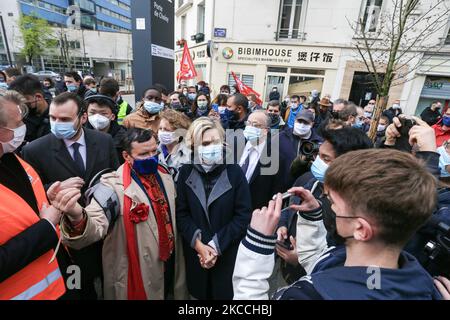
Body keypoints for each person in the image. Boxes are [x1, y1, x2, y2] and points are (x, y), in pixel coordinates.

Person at [233, 147, 443, 300]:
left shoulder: (310, 295)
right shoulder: (417, 282)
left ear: (360, 229)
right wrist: (312, 217)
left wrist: (257, 244)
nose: (330, 208)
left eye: (333, 203)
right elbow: (329, 268)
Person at [53, 128, 188, 300]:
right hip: (138, 270)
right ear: (126, 156)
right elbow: (95, 224)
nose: (152, 157)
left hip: (171, 263)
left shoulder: (165, 173)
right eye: (144, 154)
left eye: (154, 151)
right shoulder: (111, 187)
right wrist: (76, 214)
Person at [21, 92, 120, 299]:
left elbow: (115, 179)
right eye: (53, 118)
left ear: (82, 118)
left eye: (65, 119)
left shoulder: (104, 141)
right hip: (68, 240)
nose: (57, 124)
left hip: (105, 230)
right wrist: (53, 189)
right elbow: (32, 195)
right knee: (79, 288)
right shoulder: (35, 150)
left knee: (110, 281)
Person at [176, 117, 252, 299]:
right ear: (194, 147)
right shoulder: (186, 172)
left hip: (227, 253)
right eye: (205, 143)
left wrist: (215, 246)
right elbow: (182, 213)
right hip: (197, 254)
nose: (212, 147)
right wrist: (199, 245)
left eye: (216, 141)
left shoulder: (235, 172)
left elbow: (243, 216)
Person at [0, 90, 66, 300]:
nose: (22, 129)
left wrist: (46, 198)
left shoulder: (12, 158)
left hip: (54, 285)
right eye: (17, 124)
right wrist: (46, 226)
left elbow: (19, 208)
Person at [239, 111, 288, 210]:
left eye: (256, 125)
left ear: (266, 130)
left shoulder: (276, 158)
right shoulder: (235, 146)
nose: (250, 127)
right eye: (248, 123)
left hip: (255, 211)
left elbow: (276, 193)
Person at [279, 109, 323, 183]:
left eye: (306, 123)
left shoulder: (319, 142)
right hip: (282, 183)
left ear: (312, 124)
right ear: (295, 121)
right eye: (299, 121)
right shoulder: (281, 137)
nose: (302, 125)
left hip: (305, 184)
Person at [84, 94, 127, 164]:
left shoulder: (124, 138)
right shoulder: (79, 136)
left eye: (103, 113)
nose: (97, 117)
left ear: (112, 116)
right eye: (92, 113)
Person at [9, 74, 51, 143]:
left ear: (38, 97)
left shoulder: (57, 118)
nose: (18, 106)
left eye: (20, 101)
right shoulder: (19, 120)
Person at [158, 109, 192, 179]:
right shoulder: (154, 151)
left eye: (166, 129)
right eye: (160, 128)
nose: (162, 132)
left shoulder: (189, 153)